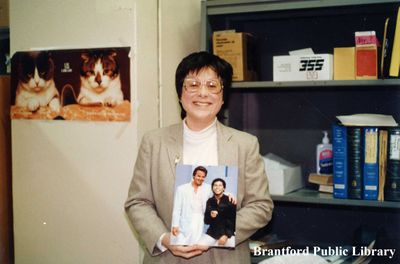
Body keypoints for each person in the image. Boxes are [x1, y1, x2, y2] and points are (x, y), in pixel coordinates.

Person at [125, 51, 274, 263]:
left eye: (212, 86)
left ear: (223, 96)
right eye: (193, 85)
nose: (202, 93)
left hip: (224, 257)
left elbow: (261, 206)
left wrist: (215, 235)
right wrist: (165, 238)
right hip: (169, 257)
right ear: (180, 93)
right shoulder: (153, 142)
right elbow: (137, 202)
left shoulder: (245, 144)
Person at [170, 166, 211, 246]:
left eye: (203, 177)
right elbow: (177, 209)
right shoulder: (182, 189)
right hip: (186, 220)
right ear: (193, 176)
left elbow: (219, 192)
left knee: (196, 245)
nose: (201, 178)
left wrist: (230, 195)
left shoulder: (208, 188)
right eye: (199, 176)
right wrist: (175, 225)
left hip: (200, 221)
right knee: (182, 244)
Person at [198, 178, 236, 248]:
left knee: (231, 247)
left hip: (227, 233)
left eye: (220, 185)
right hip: (212, 233)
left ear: (224, 188)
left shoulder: (230, 200)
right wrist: (211, 216)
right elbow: (206, 221)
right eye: (215, 185)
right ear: (212, 188)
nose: (217, 187)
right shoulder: (209, 201)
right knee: (199, 245)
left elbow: (233, 221)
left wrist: (226, 235)